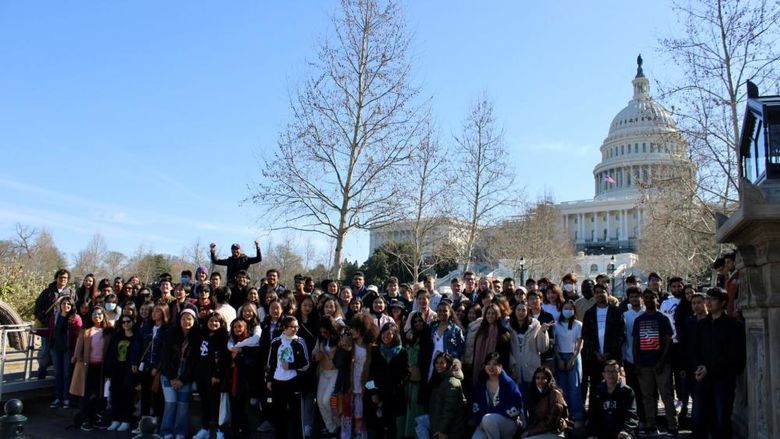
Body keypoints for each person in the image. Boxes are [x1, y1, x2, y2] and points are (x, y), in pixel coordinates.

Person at [692, 287, 746, 439]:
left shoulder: (733, 326)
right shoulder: (702, 325)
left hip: (723, 380)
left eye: (712, 299)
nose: (708, 302)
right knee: (698, 419)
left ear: (722, 302)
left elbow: (735, 357)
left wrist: (710, 368)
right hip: (702, 379)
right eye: (707, 299)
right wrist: (699, 368)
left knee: (721, 420)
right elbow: (694, 350)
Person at [632, 289, 677, 436]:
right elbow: (635, 343)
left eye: (652, 297)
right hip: (644, 365)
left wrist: (662, 362)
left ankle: (672, 426)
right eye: (646, 298)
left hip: (661, 365)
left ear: (657, 299)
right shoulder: (639, 320)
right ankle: (651, 425)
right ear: (643, 300)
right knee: (647, 397)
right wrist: (636, 362)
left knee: (667, 395)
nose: (649, 300)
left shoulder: (663, 318)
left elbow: (668, 341)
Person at [159, 308, 200, 439]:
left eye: (189, 319)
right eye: (183, 318)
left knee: (183, 405)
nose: (186, 321)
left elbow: (195, 362)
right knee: (171, 403)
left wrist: (182, 379)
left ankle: (181, 432)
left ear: (194, 320)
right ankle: (166, 431)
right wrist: (172, 378)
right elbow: (164, 358)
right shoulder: (170, 334)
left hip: (186, 376)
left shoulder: (197, 337)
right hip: (168, 375)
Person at [70, 306, 112, 431]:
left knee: (101, 394)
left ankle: (97, 417)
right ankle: (85, 419)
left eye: (99, 314)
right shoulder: (86, 330)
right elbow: (79, 347)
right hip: (87, 366)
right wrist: (76, 357)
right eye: (94, 314)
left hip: (102, 367)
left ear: (104, 316)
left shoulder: (109, 331)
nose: (97, 316)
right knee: (86, 394)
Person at [366, 322, 409, 439]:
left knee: (392, 428)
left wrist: (396, 387)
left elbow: (406, 374)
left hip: (394, 395)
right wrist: (373, 392)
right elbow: (370, 374)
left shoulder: (402, 352)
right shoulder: (376, 351)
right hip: (378, 395)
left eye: (389, 334)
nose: (386, 336)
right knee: (377, 428)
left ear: (395, 335)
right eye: (384, 333)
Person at [581, 284, 625, 399]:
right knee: (595, 389)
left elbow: (620, 335)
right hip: (594, 358)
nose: (599, 294)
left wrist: (608, 353)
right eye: (597, 292)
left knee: (614, 387)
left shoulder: (616, 312)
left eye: (602, 291)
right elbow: (586, 335)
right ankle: (594, 415)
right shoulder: (589, 313)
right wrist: (596, 352)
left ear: (608, 293)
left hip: (612, 358)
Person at [470, 352, 525, 439]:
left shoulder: (509, 384)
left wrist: (491, 412)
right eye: (488, 364)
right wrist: (480, 420)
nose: (491, 367)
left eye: (495, 364)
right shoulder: (481, 384)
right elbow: (476, 406)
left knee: (488, 419)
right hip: (485, 422)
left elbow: (517, 405)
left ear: (501, 366)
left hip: (508, 423)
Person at [193, 313, 230, 439]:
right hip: (202, 374)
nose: (213, 323)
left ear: (220, 323)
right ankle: (205, 428)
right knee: (204, 402)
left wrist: (217, 373)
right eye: (211, 320)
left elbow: (223, 357)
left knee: (216, 404)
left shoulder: (223, 337)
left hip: (215, 375)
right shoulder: (202, 335)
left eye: (216, 321)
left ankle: (220, 430)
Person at [415, 353, 466, 439]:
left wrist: (441, 431)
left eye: (442, 363)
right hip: (438, 420)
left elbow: (449, 411)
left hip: (450, 428)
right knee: (419, 421)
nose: (438, 365)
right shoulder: (440, 379)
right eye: (437, 363)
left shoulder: (452, 382)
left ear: (449, 364)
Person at [34, 268, 74, 379]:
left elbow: (74, 308)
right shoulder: (47, 292)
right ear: (56, 278)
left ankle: (58, 375)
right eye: (61, 277)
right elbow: (37, 307)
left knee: (62, 351)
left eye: (65, 278)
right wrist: (43, 317)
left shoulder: (71, 292)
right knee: (45, 350)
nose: (63, 280)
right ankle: (42, 371)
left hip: (64, 328)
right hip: (48, 327)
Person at [586, 360, 638, 439]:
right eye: (608, 371)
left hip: (622, 431)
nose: (611, 374)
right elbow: (592, 414)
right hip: (602, 430)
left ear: (619, 373)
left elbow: (631, 415)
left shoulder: (627, 391)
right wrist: (593, 433)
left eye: (614, 371)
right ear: (603, 374)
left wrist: (626, 430)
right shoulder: (597, 391)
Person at [553, 300, 584, 427]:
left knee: (575, 387)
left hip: (574, 356)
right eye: (565, 308)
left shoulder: (578, 324)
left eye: (570, 308)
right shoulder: (556, 325)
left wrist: (572, 359)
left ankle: (577, 416)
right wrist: (559, 359)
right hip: (560, 356)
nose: (568, 310)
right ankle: (564, 414)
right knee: (562, 387)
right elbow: (554, 343)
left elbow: (579, 343)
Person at [464, 303, 512, 386]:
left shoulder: (503, 332)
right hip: (479, 367)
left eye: (493, 313)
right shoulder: (481, 330)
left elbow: (505, 355)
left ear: (497, 315)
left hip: (496, 370)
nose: (490, 316)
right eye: (488, 313)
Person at [48, 297, 82, 408]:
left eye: (68, 304)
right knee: (57, 374)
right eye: (64, 303)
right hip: (56, 349)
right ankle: (58, 397)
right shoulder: (55, 316)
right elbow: (50, 331)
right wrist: (36, 331)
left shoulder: (75, 318)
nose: (66, 305)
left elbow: (79, 335)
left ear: (72, 306)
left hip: (68, 349)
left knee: (67, 374)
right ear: (60, 305)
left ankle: (66, 398)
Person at [104, 315, 137, 431]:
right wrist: (107, 371)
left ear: (133, 322)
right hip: (116, 368)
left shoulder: (136, 337)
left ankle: (126, 420)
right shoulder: (117, 336)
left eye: (128, 321)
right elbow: (110, 354)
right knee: (115, 394)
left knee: (127, 395)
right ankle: (115, 419)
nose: (126, 324)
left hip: (129, 370)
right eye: (123, 322)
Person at [228, 318, 260, 437]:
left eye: (240, 326)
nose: (237, 329)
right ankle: (235, 431)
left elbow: (250, 362)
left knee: (244, 411)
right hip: (233, 382)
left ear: (245, 328)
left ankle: (245, 432)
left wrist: (237, 357)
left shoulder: (251, 343)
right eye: (235, 327)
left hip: (245, 383)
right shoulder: (231, 343)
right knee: (234, 410)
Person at [508, 302, 550, 389]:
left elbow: (542, 348)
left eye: (524, 310)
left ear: (528, 312)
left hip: (532, 367)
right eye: (518, 310)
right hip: (515, 369)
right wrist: (512, 364)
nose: (521, 312)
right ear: (514, 311)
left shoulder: (535, 325)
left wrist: (543, 332)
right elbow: (507, 349)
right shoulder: (508, 326)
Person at [313, 316, 342, 437]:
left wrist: (327, 354)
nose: (323, 334)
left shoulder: (340, 339)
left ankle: (338, 424)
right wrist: (316, 356)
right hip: (323, 371)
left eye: (325, 331)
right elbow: (313, 353)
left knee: (327, 400)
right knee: (320, 401)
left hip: (335, 372)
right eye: (321, 331)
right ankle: (331, 428)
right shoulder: (320, 339)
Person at [621, 287, 645, 424]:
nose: (634, 299)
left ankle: (647, 420)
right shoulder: (625, 315)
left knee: (647, 392)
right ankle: (634, 420)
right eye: (632, 297)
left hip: (646, 359)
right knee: (633, 390)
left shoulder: (646, 313)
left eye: (637, 296)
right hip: (629, 358)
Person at [523, 367, 568, 439]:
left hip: (554, 431)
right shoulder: (533, 394)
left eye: (543, 378)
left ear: (549, 379)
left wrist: (530, 432)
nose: (540, 381)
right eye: (537, 378)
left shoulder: (555, 394)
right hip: (539, 431)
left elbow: (550, 423)